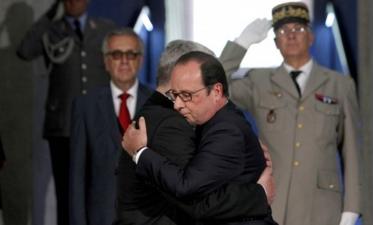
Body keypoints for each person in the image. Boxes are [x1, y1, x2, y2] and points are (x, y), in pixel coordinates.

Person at [218, 2, 362, 225]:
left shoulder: (339, 85)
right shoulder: (259, 81)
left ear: (311, 37)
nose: (291, 36)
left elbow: (353, 150)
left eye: (298, 29)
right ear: (276, 42)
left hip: (322, 209)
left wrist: (351, 210)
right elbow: (214, 88)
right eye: (283, 31)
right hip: (272, 204)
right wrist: (240, 44)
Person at [115, 40, 275, 225]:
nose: (178, 104)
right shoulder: (171, 123)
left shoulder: (158, 112)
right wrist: (259, 194)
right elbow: (196, 200)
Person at [16, 0, 116, 225]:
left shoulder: (104, 30)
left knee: (99, 191)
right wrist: (49, 15)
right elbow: (24, 50)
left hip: (98, 125)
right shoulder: (51, 30)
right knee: (67, 193)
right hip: (63, 126)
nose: (72, 1)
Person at [69, 28, 152, 225]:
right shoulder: (85, 106)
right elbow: (77, 177)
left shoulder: (158, 105)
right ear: (106, 61)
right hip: (101, 218)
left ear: (140, 60)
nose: (124, 61)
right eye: (116, 54)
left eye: (131, 54)